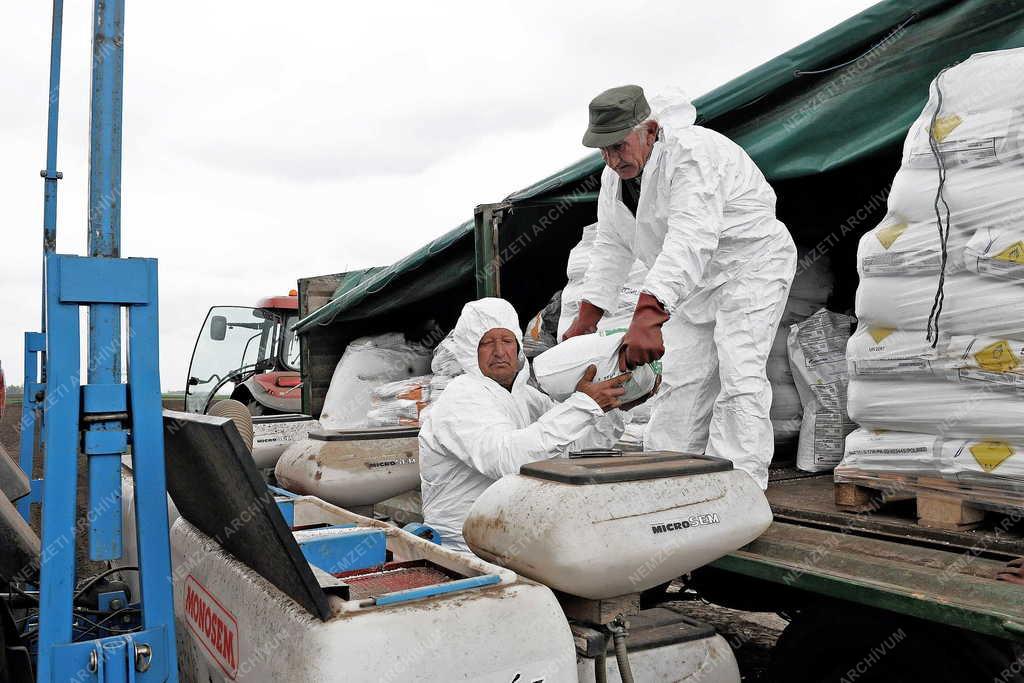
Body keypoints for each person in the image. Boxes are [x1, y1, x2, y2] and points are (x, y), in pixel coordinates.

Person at [563, 85, 797, 489]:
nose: (612, 159)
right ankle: (667, 478)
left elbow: (691, 237)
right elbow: (612, 245)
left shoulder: (693, 154)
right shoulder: (612, 178)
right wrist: (587, 318)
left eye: (618, 146)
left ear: (650, 130)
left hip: (749, 266)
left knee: (738, 370)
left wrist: (648, 315)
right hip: (694, 284)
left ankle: (739, 484)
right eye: (603, 150)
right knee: (682, 377)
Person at [420, 297, 652, 552]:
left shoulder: (524, 397)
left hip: (509, 538)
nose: (499, 352)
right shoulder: (461, 397)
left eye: (507, 341)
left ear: (518, 347)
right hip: (463, 548)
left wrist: (615, 409)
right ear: (468, 350)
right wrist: (584, 404)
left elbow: (572, 446)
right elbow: (507, 459)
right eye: (486, 343)